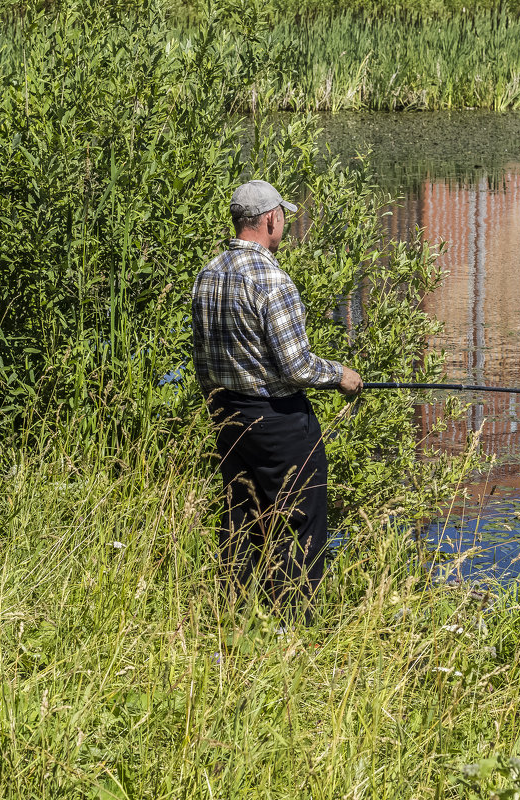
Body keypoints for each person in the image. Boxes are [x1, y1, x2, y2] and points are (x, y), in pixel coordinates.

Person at [192, 179, 363, 624]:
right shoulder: (272, 278)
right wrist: (341, 376)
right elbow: (297, 367)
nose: (284, 222)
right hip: (278, 421)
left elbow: (202, 359)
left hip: (226, 414)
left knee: (240, 516)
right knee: (299, 519)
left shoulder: (207, 273)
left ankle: (232, 617)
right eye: (282, 215)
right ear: (270, 220)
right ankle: (295, 626)